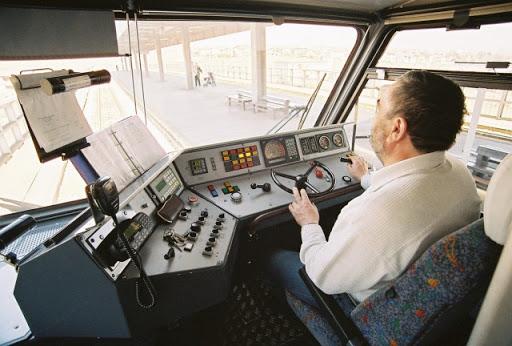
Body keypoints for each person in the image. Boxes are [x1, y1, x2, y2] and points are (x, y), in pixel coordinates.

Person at [262, 70, 482, 310]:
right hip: (418, 296)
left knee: (269, 256)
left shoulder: (381, 212)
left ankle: (282, 314)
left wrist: (309, 225)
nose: (374, 117)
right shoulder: (459, 172)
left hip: (361, 307)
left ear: (397, 129)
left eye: (378, 108)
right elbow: (407, 184)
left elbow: (321, 275)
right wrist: (366, 178)